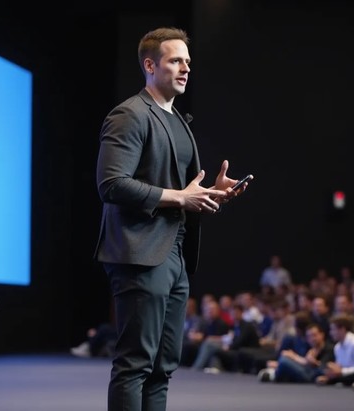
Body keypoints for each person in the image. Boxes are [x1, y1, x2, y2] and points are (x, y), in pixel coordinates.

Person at [94, 26, 249, 411]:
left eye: (188, 62)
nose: (185, 68)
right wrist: (179, 196)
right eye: (175, 60)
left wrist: (212, 193)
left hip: (176, 255)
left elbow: (182, 193)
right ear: (150, 65)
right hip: (140, 254)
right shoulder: (129, 115)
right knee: (135, 364)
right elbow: (111, 184)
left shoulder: (178, 120)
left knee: (163, 367)